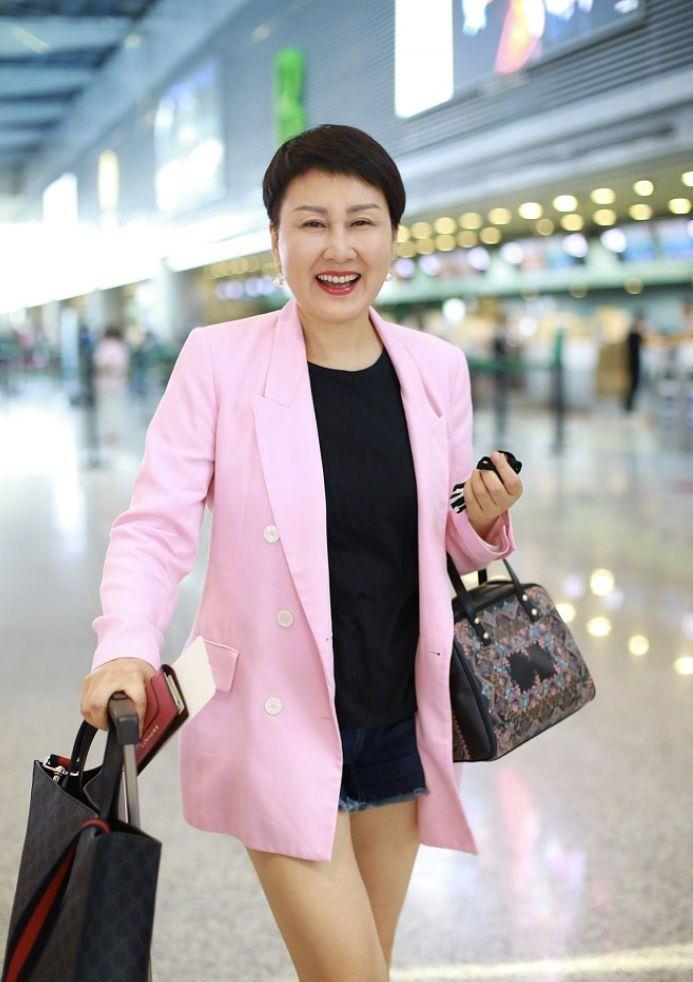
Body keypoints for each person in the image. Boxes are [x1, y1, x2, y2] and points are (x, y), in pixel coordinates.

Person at [80, 124, 523, 981]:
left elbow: (444, 541)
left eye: (362, 222)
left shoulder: (434, 369)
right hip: (273, 716)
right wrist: (124, 646)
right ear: (275, 238)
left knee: (365, 966)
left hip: (399, 715)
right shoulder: (219, 362)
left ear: (393, 236)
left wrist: (482, 520)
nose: (338, 247)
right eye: (311, 223)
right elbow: (156, 524)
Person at [624, 312, 646, 413]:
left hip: (631, 361)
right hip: (633, 362)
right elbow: (644, 342)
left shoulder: (631, 334)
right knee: (633, 384)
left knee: (632, 384)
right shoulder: (634, 334)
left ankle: (629, 404)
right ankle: (629, 405)